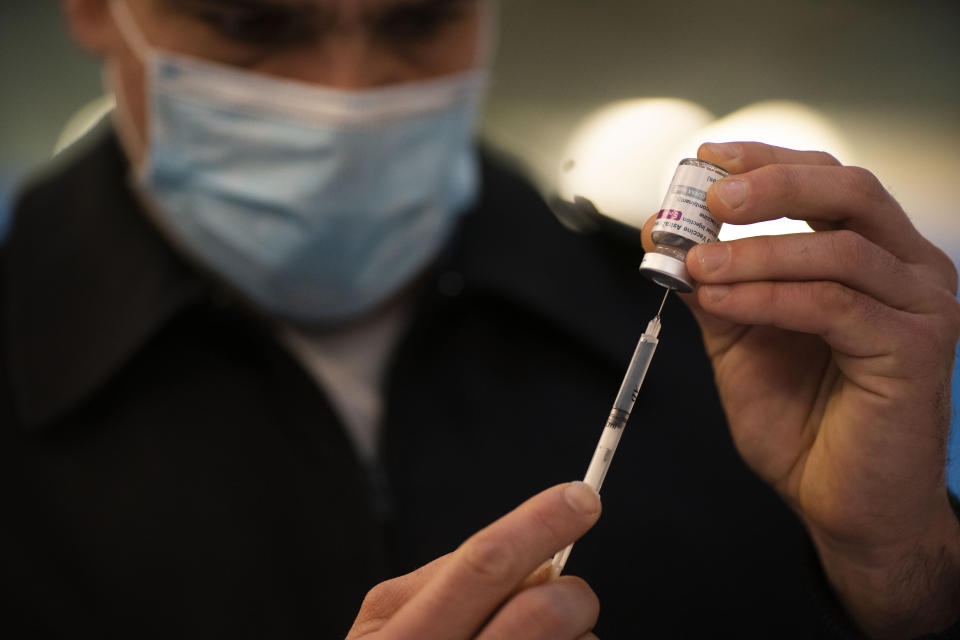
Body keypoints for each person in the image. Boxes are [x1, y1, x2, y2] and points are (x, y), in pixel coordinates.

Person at [2, 0, 958, 637]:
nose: (347, 96)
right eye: (255, 18)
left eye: (418, 16)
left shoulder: (743, 358)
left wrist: (903, 577)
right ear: (93, 9)